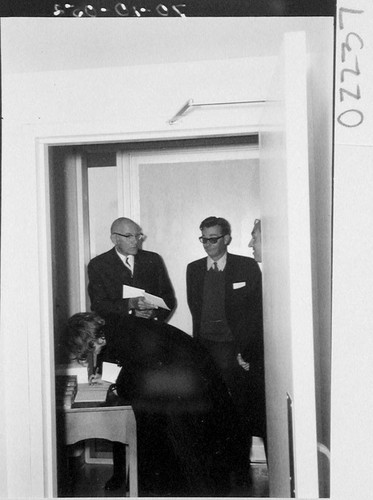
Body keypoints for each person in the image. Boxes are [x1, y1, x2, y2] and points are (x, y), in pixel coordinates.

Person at [67, 312, 247, 497]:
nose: (92, 354)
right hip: (191, 379)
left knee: (189, 460)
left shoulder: (120, 335)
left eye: (89, 349)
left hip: (191, 386)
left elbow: (141, 374)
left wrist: (120, 387)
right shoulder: (118, 328)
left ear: (93, 339)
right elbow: (138, 365)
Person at [87, 216, 176, 490]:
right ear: (115, 238)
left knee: (151, 408)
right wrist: (130, 306)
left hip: (149, 345)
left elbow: (169, 299)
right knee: (119, 408)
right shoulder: (99, 265)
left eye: (138, 235)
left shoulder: (153, 260)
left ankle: (151, 473)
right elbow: (99, 305)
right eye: (130, 236)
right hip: (117, 348)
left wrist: (154, 312)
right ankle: (119, 473)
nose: (137, 240)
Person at [186, 216, 265, 482]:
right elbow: (195, 311)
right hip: (205, 348)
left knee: (239, 407)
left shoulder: (246, 266)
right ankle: (216, 468)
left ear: (226, 239)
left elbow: (255, 313)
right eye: (203, 239)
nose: (207, 244)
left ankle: (240, 468)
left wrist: (246, 349)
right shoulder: (193, 269)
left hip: (234, 349)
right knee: (210, 408)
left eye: (213, 238)